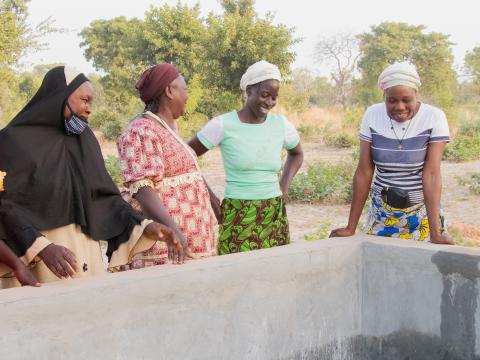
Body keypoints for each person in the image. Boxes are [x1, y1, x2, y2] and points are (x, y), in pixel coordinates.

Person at [0, 66, 183, 289]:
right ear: (60, 97)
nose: (88, 110)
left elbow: (104, 198)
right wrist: (42, 248)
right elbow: (4, 208)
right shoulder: (11, 143)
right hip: (35, 265)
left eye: (90, 103)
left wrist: (143, 225)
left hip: (86, 259)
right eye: (84, 100)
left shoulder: (84, 141)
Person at [330, 62, 453, 244]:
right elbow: (364, 172)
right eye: (392, 100)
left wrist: (435, 233)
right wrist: (351, 227)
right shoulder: (372, 114)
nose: (400, 107)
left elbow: (432, 174)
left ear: (416, 95)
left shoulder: (434, 117)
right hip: (382, 214)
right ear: (384, 97)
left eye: (406, 100)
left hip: (422, 215)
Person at [188, 60, 304, 254]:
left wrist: (283, 188)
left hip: (273, 211)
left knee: (274, 271)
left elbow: (297, 153)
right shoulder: (222, 125)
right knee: (236, 274)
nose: (270, 102)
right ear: (249, 91)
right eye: (265, 95)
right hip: (238, 211)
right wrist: (211, 198)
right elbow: (185, 158)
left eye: (275, 97)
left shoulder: (281, 124)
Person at [117, 63, 217, 269]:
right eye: (185, 89)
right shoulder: (141, 131)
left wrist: (212, 199)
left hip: (191, 243)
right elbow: (143, 189)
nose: (188, 96)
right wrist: (173, 230)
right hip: (165, 247)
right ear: (170, 91)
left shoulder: (167, 126)